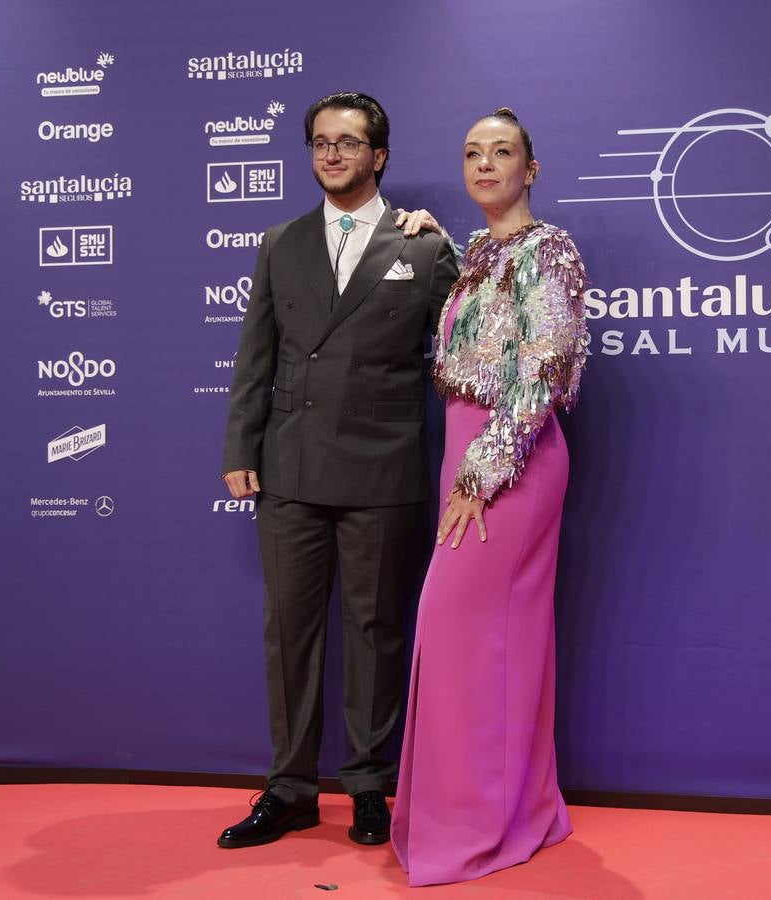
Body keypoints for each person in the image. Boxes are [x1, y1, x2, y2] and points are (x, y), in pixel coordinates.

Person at [218, 91, 458, 849]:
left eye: (348, 143)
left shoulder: (421, 246)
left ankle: (369, 786)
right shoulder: (279, 241)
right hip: (288, 465)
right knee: (288, 633)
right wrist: (239, 449)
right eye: (320, 142)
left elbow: (470, 348)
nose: (331, 155)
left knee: (375, 629)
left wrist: (454, 251)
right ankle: (288, 789)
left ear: (377, 155)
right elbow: (255, 356)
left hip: (383, 469)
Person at [390, 108, 590, 886]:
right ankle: (517, 807)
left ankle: (480, 823)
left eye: (501, 152)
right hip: (463, 452)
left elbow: (541, 365)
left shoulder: (551, 251)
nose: (484, 165)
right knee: (485, 643)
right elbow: (479, 327)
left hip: (510, 460)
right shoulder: (479, 250)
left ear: (529, 169)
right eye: (472, 153)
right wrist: (440, 240)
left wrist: (484, 468)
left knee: (469, 637)